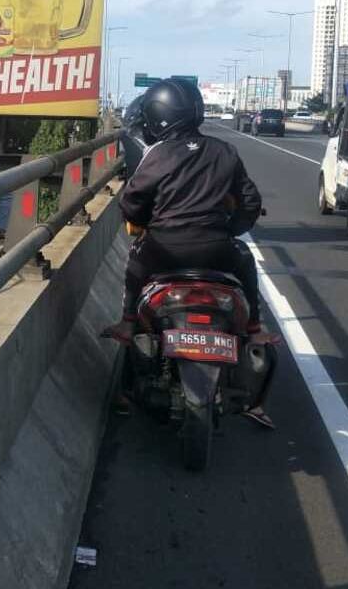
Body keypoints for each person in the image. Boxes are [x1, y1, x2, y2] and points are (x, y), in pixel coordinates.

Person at [109, 78, 273, 428]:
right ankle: (256, 327)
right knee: (244, 259)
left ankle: (126, 323)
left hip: (164, 249)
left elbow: (132, 201)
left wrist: (144, 223)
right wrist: (229, 230)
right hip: (217, 250)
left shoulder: (159, 154)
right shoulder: (224, 151)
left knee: (136, 266)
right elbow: (250, 202)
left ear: (157, 116)